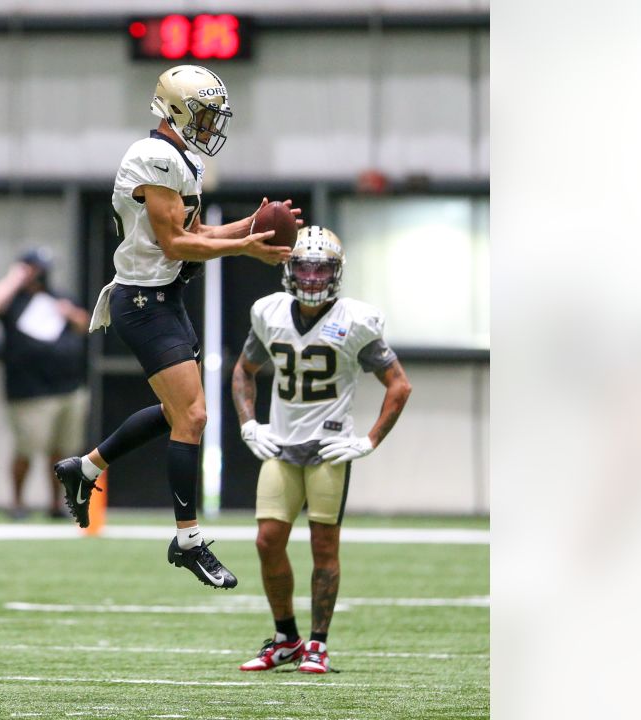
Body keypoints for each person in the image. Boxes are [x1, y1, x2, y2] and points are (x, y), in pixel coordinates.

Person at [52, 64, 295, 589]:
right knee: (194, 417)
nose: (211, 127)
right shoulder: (154, 157)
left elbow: (196, 231)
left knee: (175, 413)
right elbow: (176, 245)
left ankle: (86, 468)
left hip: (165, 297)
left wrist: (249, 226)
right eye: (205, 115)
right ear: (178, 112)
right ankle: (187, 540)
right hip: (143, 302)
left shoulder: (178, 160)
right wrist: (247, 247)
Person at [231, 226, 413, 673]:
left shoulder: (355, 320)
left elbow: (399, 385)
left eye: (321, 268)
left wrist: (368, 441)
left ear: (337, 272)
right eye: (304, 267)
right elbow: (243, 371)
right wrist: (249, 424)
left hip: (329, 447)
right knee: (267, 541)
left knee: (323, 547)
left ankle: (318, 644)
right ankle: (286, 638)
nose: (312, 277)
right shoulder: (269, 313)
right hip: (281, 444)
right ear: (289, 269)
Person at [0, 248, 91, 520]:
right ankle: (17, 503)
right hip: (30, 392)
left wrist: (70, 314)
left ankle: (57, 505)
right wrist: (15, 277)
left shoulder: (59, 298)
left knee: (62, 453)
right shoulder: (14, 302)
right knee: (26, 450)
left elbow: (85, 324)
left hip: (68, 387)